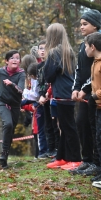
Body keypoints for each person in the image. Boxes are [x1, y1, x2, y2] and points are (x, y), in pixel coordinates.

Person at [43, 23, 82, 170]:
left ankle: (76, 159)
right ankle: (62, 157)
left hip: (62, 95)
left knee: (68, 127)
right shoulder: (68, 51)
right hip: (68, 92)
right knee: (65, 126)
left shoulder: (53, 53)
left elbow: (48, 76)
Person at [70, 9, 101, 176]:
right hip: (82, 93)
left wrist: (84, 89)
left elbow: (95, 71)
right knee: (81, 123)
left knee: (93, 128)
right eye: (80, 24)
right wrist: (75, 88)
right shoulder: (83, 44)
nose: (81, 27)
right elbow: (79, 69)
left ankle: (96, 163)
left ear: (95, 25)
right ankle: (87, 159)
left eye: (85, 24)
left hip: (94, 93)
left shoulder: (98, 43)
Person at [0, 50, 26, 169]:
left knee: (11, 131)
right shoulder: (1, 71)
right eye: (12, 58)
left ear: (20, 61)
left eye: (17, 58)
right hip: (2, 102)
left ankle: (4, 158)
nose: (15, 60)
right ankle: (2, 156)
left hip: (15, 105)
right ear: (6, 61)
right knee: (8, 124)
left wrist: (11, 84)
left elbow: (21, 90)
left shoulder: (21, 74)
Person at [81, 33, 101, 185]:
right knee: (97, 139)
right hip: (97, 107)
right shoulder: (95, 62)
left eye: (86, 46)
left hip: (99, 104)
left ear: (93, 47)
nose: (85, 49)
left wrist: (95, 96)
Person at [37, 40, 60, 159]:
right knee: (47, 125)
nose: (42, 51)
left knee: (55, 124)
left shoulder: (52, 64)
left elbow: (51, 81)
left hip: (52, 98)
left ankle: (57, 149)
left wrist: (47, 94)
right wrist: (41, 95)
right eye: (40, 48)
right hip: (43, 99)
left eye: (45, 48)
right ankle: (50, 149)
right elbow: (39, 83)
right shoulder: (39, 67)